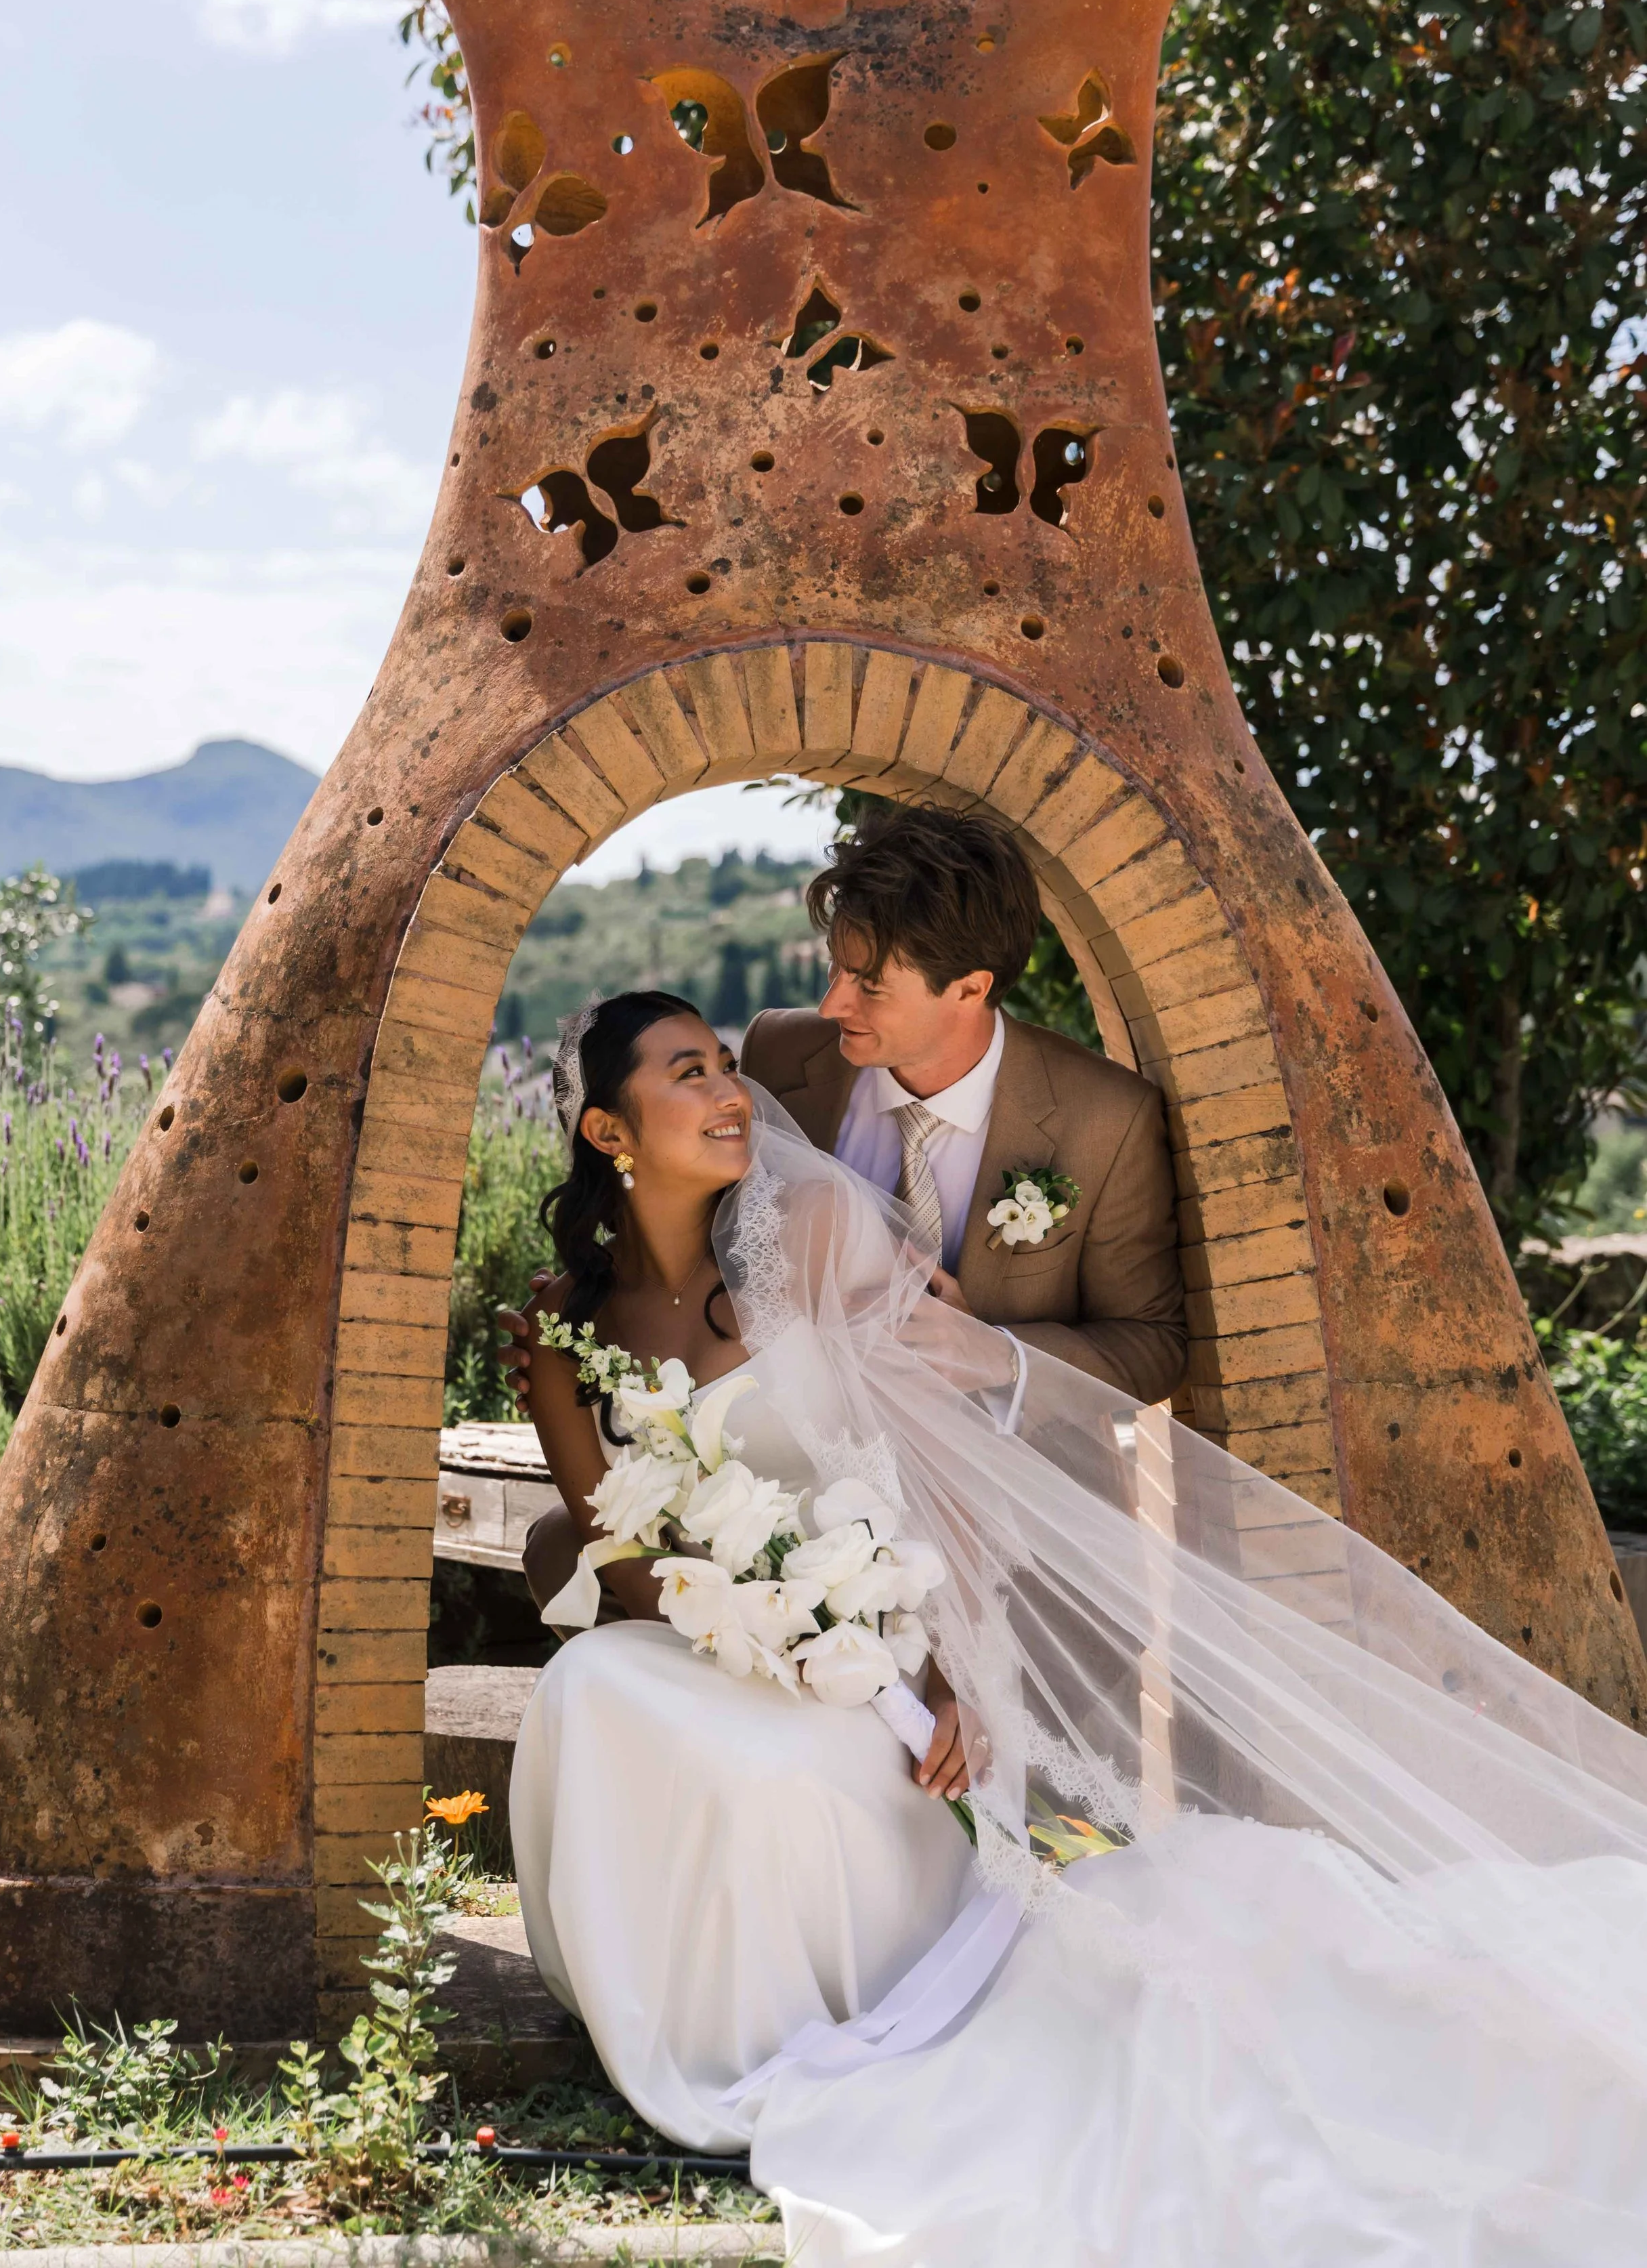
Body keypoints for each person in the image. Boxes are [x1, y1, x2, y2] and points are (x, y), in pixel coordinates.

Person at [513, 986, 1647, 2265]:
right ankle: (684, 2029)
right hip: (726, 1642)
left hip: (890, 1647)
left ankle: (829, 1996)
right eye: (686, 1075)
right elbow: (614, 1544)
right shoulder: (565, 1323)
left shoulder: (812, 1231)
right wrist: (755, 1617)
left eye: (727, 1064)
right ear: (612, 1134)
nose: (731, 1094)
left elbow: (948, 1462)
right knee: (594, 1689)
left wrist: (961, 1674)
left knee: (794, 1774)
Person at [513, 803, 1185, 1614]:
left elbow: (1152, 1346)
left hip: (1028, 1532)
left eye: (869, 984)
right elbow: (679, 1220)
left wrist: (997, 1356)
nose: (833, 1006)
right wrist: (596, 1340)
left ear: (968, 989)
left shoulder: (1101, 1120)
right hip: (795, 1538)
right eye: (836, 968)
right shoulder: (779, 1056)